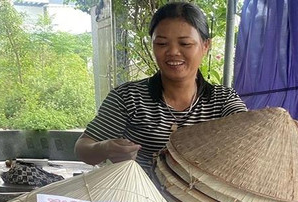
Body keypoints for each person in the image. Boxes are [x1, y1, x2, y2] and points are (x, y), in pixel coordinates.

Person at [75, 2, 248, 170]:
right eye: (162, 44)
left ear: (205, 46)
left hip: (202, 199)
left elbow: (249, 130)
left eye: (185, 44)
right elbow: (83, 147)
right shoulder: (128, 97)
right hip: (139, 197)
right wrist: (105, 148)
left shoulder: (223, 101)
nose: (173, 52)